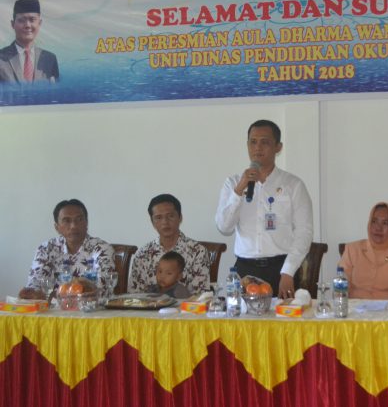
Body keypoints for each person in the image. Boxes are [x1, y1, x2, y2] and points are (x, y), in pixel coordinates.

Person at [215, 119, 313, 299]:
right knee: (241, 318)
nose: (257, 148)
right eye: (253, 142)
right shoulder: (233, 183)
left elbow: (304, 232)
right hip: (244, 270)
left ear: (278, 147)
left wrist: (288, 272)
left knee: (285, 317)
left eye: (265, 142)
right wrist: (239, 189)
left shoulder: (293, 185)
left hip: (281, 270)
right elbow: (224, 227)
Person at [18, 199, 116, 299]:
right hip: (51, 308)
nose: (73, 226)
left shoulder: (102, 249)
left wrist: (57, 295)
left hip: (90, 307)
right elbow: (35, 283)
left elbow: (103, 289)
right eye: (66, 221)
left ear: (86, 223)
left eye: (79, 219)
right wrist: (32, 293)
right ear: (57, 227)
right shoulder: (46, 249)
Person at [129, 194, 210, 295]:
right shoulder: (142, 254)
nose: (165, 222)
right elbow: (134, 295)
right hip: (149, 305)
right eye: (158, 217)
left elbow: (201, 297)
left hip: (184, 305)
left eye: (170, 216)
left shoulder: (197, 251)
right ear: (152, 222)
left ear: (180, 217)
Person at [339, 202, 388, 301]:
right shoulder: (352, 250)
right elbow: (340, 289)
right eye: (374, 221)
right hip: (355, 308)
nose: (378, 228)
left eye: (385, 223)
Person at [0, 0, 59, 83]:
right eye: (21, 20)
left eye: (32, 20)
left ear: (39, 23)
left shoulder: (49, 59)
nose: (27, 25)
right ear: (13, 24)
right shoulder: (1, 58)